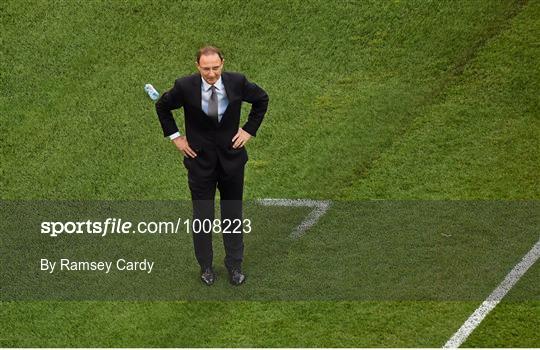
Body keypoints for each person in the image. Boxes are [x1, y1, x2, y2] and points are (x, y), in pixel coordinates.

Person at [155, 46, 269, 286]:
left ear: (222, 63)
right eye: (206, 69)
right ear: (198, 66)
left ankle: (234, 266)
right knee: (203, 217)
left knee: (232, 215)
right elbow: (162, 106)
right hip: (200, 163)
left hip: (232, 161)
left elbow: (261, 99)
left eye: (215, 68)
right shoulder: (185, 87)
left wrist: (248, 130)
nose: (211, 73)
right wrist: (176, 138)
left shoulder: (237, 82)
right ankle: (206, 266)